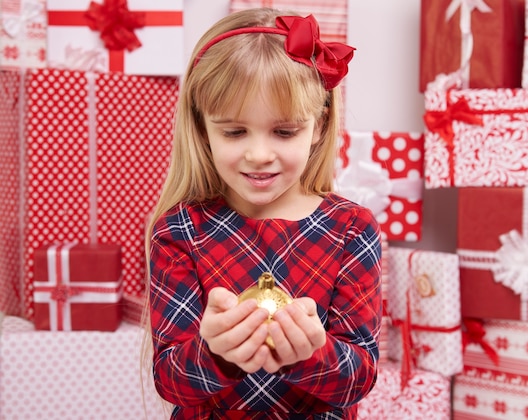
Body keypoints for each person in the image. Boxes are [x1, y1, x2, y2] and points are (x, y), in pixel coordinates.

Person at [146, 7, 382, 419]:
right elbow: (170, 381)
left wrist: (312, 353)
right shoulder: (180, 231)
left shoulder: (351, 230)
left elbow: (359, 380)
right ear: (203, 129)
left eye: (284, 131)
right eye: (234, 131)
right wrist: (216, 352)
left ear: (319, 127)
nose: (259, 155)